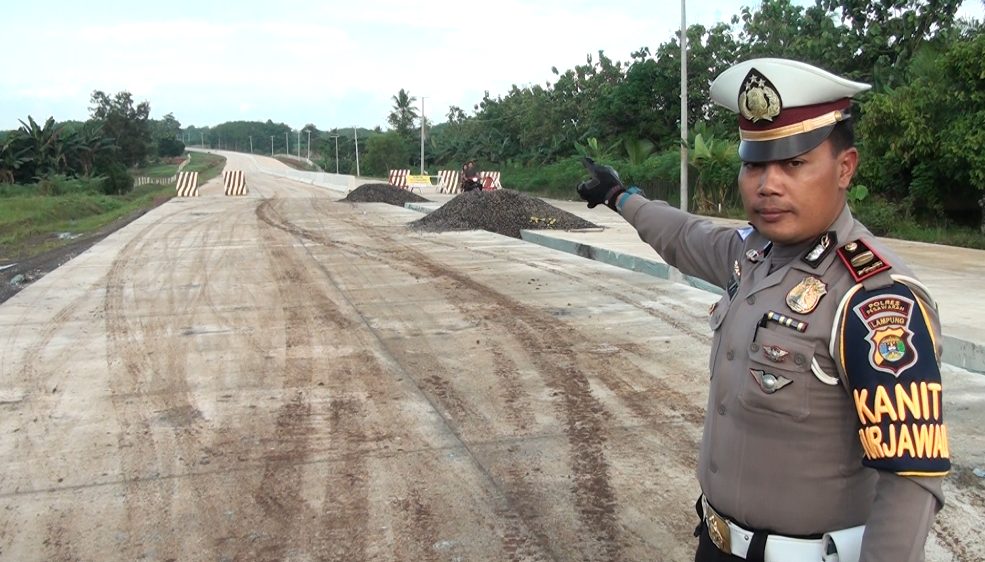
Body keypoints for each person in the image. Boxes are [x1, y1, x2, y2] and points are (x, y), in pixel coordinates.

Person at [577, 58, 950, 562]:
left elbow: (910, 480)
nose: (767, 185)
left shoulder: (875, 299)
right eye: (754, 164)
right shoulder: (753, 254)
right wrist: (620, 195)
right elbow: (683, 234)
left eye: (793, 164)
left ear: (845, 168)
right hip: (717, 545)